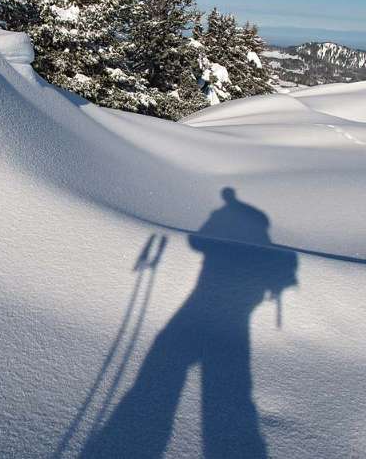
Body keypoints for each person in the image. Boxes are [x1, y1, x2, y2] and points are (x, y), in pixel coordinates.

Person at [81, 188, 298, 458]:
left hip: (205, 304)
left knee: (167, 361)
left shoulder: (225, 218)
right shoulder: (259, 235)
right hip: (236, 311)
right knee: (229, 387)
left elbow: (198, 242)